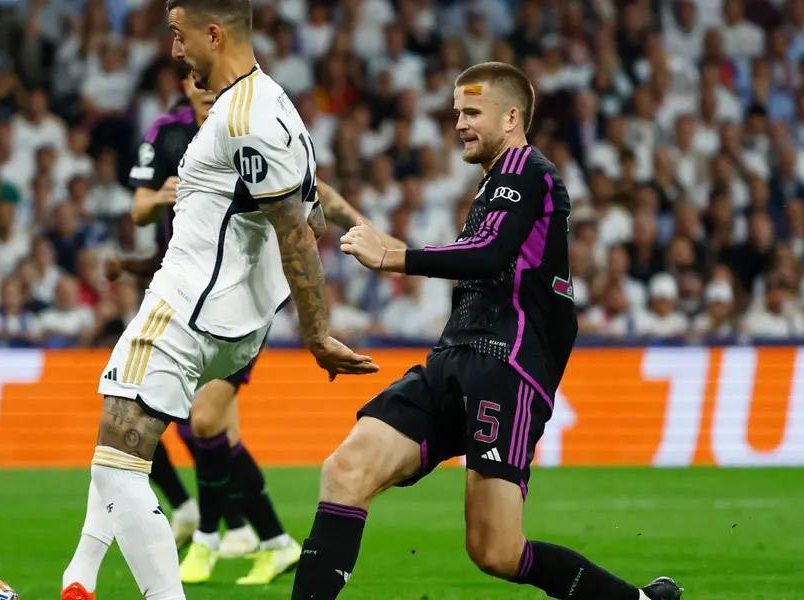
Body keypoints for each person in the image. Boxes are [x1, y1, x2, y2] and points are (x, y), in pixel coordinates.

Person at [291, 62, 683, 600]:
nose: (459, 123)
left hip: (506, 368)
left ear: (512, 116)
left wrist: (394, 257)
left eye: (472, 111)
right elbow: (484, 256)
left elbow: (489, 254)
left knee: (496, 552)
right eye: (456, 113)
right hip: (452, 358)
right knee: (346, 469)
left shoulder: (529, 171)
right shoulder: (493, 184)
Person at [59, 1, 381, 599]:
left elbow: (294, 234)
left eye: (180, 38)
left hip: (186, 310)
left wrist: (317, 334)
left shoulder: (242, 120)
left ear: (213, 34)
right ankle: (79, 577)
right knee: (125, 442)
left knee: (116, 461)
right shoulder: (277, 105)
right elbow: (303, 218)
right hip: (233, 324)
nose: (175, 51)